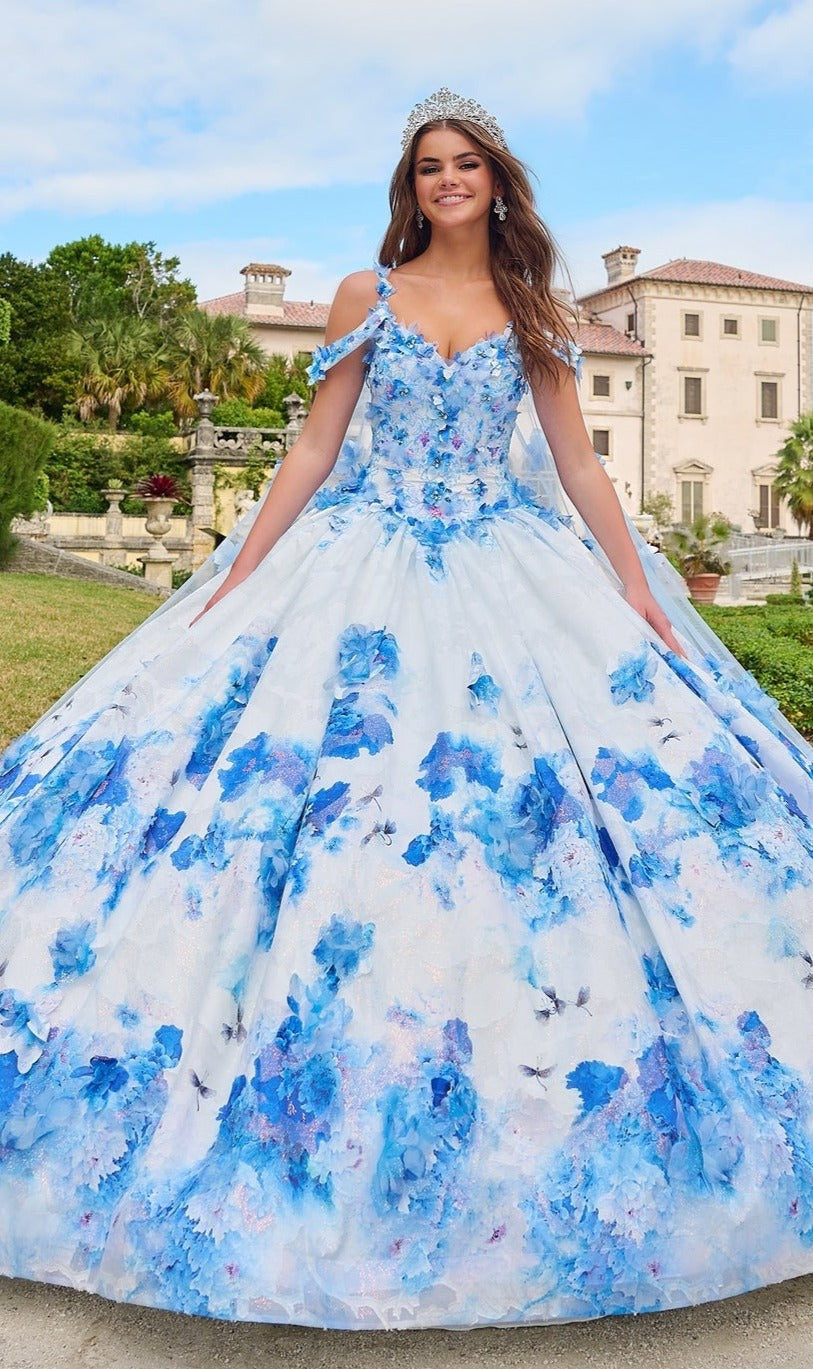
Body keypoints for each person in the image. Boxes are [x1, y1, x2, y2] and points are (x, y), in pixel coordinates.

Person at [1, 87, 813, 1333]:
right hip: (360, 566)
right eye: (429, 165)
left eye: (466, 163)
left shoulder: (537, 310)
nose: (447, 180)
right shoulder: (361, 296)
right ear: (412, 183)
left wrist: (641, 588)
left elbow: (579, 460)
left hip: (507, 566)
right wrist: (244, 573)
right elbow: (315, 450)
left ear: (497, 179)